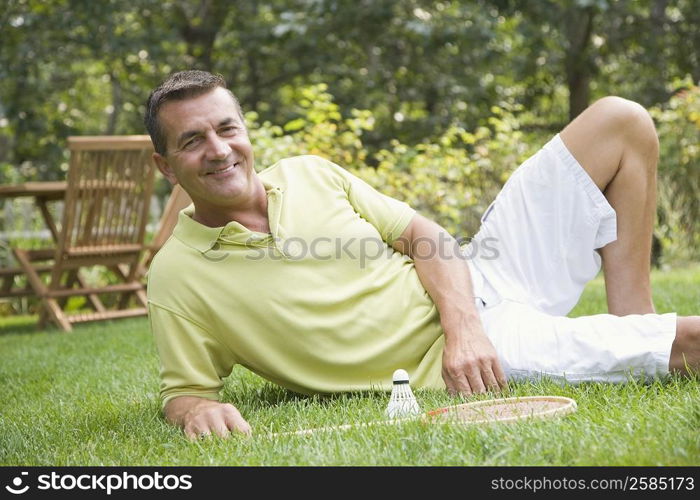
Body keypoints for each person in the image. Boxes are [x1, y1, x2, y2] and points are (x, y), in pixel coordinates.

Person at [144, 70, 699, 440]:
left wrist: (465, 328)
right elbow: (186, 391)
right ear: (166, 166)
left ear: (244, 132)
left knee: (620, 120)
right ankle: (644, 339)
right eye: (192, 141)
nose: (219, 150)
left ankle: (634, 318)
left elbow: (425, 237)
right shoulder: (176, 276)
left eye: (226, 128)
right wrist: (197, 411)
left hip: (482, 278)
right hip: (487, 354)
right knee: (690, 342)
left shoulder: (309, 173)